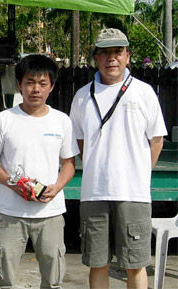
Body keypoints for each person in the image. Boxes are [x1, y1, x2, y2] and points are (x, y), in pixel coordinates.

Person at [69, 28, 167, 289]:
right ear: (95, 58)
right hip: (93, 192)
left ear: (127, 56)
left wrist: (139, 173)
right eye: (105, 52)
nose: (111, 58)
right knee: (97, 262)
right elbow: (81, 143)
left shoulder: (144, 92)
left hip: (133, 193)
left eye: (118, 52)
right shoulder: (81, 97)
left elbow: (156, 140)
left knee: (135, 263)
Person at [0, 54, 80, 289]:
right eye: (30, 82)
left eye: (42, 83)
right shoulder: (3, 120)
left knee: (53, 278)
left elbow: (69, 164)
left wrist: (57, 187)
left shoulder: (62, 121)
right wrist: (12, 184)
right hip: (11, 212)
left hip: (50, 212)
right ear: (20, 85)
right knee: (5, 277)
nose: (36, 89)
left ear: (52, 87)